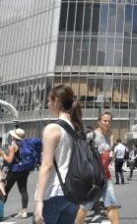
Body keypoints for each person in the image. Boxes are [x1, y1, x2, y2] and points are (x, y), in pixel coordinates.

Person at [33, 84, 84, 224]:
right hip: (73, 195)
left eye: (49, 101)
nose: (48, 104)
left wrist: (39, 201)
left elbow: (47, 165)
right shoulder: (76, 128)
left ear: (56, 101)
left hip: (54, 192)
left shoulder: (53, 128)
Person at [75, 110, 120, 224]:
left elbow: (106, 157)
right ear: (98, 122)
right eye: (105, 121)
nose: (107, 123)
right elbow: (80, 153)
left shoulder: (108, 136)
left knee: (111, 204)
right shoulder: (92, 135)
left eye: (109, 121)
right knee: (85, 206)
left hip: (106, 177)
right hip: (93, 179)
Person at [0, 128, 30, 218]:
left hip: (14, 171)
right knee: (23, 190)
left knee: (4, 190)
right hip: (24, 170)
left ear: (14, 136)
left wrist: (2, 154)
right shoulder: (26, 145)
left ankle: (0, 211)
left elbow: (9, 160)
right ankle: (24, 212)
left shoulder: (13, 146)